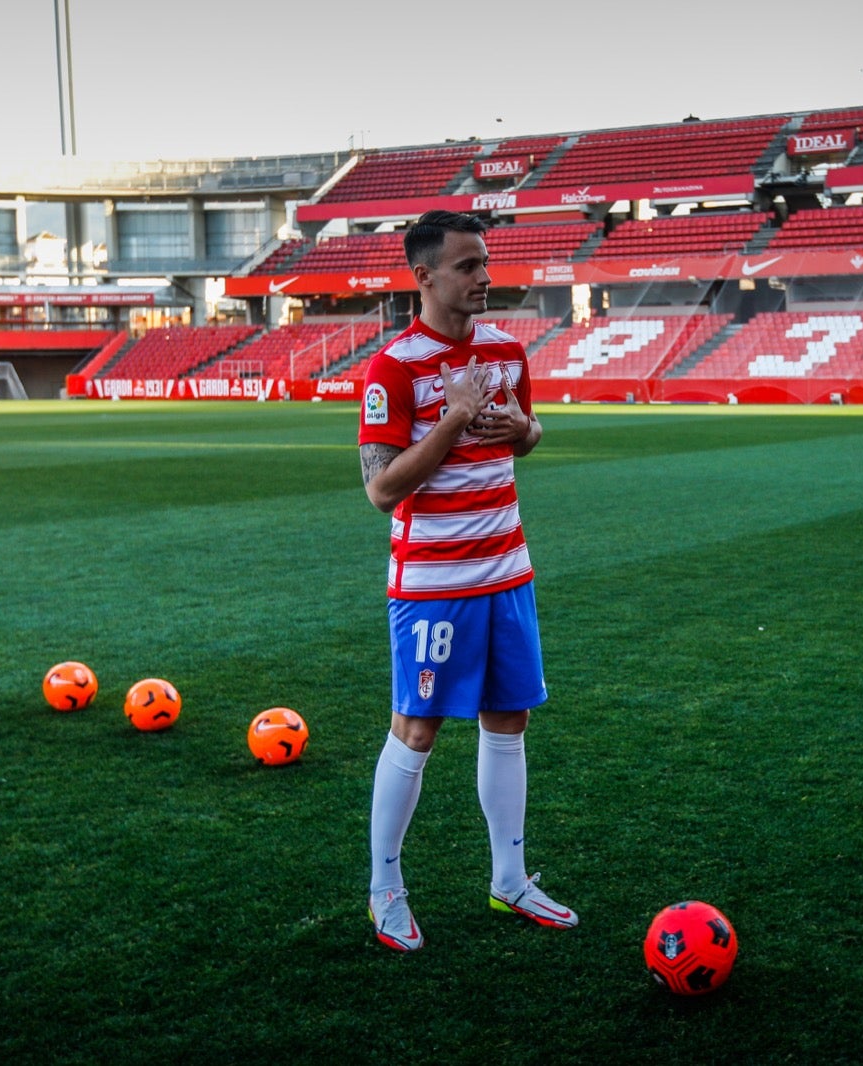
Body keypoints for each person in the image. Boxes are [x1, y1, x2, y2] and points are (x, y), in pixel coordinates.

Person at [357, 210, 576, 952]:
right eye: (467, 265)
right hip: (433, 585)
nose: (485, 277)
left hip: (507, 573)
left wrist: (524, 431)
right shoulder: (394, 368)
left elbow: (528, 432)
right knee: (417, 730)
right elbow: (382, 490)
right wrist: (452, 421)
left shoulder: (508, 350)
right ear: (424, 277)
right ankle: (385, 889)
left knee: (509, 720)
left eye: (485, 262)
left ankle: (509, 879)